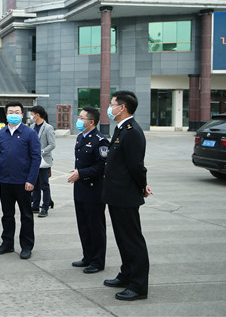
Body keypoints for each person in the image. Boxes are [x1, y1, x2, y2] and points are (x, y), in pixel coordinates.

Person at [102, 90, 153, 301]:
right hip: (116, 194)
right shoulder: (121, 128)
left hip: (126, 196)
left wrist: (143, 186)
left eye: (112, 104)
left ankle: (139, 285)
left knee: (133, 241)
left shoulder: (132, 131)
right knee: (123, 239)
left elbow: (136, 166)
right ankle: (126, 274)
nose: (109, 107)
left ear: (122, 107)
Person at [0, 101, 41, 260]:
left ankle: (26, 246)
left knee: (26, 215)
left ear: (22, 114)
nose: (13, 114)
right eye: (10, 112)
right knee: (7, 215)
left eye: (17, 112)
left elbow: (36, 157)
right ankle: (7, 243)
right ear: (6, 115)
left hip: (23, 182)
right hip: (5, 181)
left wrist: (31, 180)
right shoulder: (1, 133)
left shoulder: (29, 133)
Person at [66, 107, 109, 274]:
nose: (79, 120)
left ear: (91, 122)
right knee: (83, 225)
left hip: (94, 191)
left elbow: (102, 167)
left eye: (82, 117)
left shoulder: (100, 141)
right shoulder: (80, 137)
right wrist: (78, 173)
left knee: (95, 226)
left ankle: (97, 261)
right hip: (81, 189)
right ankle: (87, 256)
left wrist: (81, 173)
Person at [30, 105, 56, 218]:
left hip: (43, 160)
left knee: (44, 185)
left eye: (32, 114)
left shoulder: (48, 128)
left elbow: (52, 144)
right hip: (33, 161)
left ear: (37, 115)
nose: (31, 117)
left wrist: (42, 151)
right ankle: (35, 205)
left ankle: (45, 207)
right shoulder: (31, 127)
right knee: (35, 184)